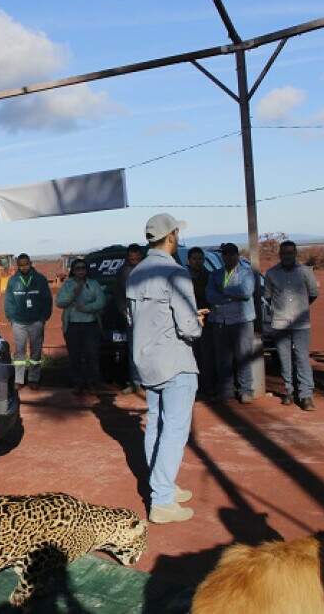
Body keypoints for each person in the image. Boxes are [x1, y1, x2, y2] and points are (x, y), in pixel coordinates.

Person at [126, 212, 206, 524]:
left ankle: (163, 485)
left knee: (157, 426)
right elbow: (187, 326)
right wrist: (197, 322)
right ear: (171, 236)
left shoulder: (136, 274)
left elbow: (134, 319)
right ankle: (161, 499)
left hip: (147, 360)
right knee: (174, 430)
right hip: (175, 361)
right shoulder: (176, 273)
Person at [264, 241, 320, 411]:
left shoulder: (305, 272)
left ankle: (306, 395)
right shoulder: (271, 273)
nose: (287, 256)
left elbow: (313, 293)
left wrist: (300, 308)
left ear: (295, 254)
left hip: (301, 323)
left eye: (290, 253)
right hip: (280, 323)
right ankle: (289, 391)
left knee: (302, 357)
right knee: (284, 358)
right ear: (280, 255)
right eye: (284, 253)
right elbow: (268, 296)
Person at [206, 243, 257, 403]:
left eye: (230, 254)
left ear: (237, 255)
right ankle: (226, 391)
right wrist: (231, 295)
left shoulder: (247, 273)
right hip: (220, 321)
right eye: (225, 254)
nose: (227, 257)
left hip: (242, 321)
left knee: (243, 356)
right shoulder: (215, 274)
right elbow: (210, 296)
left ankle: (245, 390)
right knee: (223, 359)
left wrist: (223, 291)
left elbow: (246, 292)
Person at [57, 258, 107, 395]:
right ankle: (77, 383)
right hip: (72, 325)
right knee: (75, 355)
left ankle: (93, 382)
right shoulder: (68, 285)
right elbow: (59, 302)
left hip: (90, 324)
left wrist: (87, 308)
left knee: (92, 354)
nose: (80, 271)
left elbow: (101, 301)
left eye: (83, 268)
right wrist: (74, 293)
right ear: (73, 271)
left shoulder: (93, 284)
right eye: (77, 268)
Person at [4, 253, 54, 389]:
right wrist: (12, 318)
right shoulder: (13, 281)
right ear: (17, 266)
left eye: (26, 264)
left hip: (36, 321)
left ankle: (34, 378)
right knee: (19, 352)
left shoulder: (40, 279)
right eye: (21, 265)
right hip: (19, 323)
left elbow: (47, 300)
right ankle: (19, 379)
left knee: (35, 352)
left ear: (30, 263)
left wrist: (43, 318)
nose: (24, 267)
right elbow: (8, 301)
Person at [113, 244, 145, 394]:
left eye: (137, 258)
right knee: (134, 350)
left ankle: (150, 381)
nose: (135, 260)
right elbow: (118, 294)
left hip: (150, 317)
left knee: (151, 349)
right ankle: (136, 382)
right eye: (132, 258)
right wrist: (123, 311)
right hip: (131, 316)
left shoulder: (149, 270)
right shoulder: (123, 272)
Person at [186, 246, 216, 397]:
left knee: (206, 355)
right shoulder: (182, 277)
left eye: (200, 259)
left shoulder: (210, 276)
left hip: (207, 321)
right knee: (191, 356)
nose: (198, 262)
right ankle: (194, 388)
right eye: (194, 259)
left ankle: (208, 386)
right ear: (188, 260)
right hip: (187, 321)